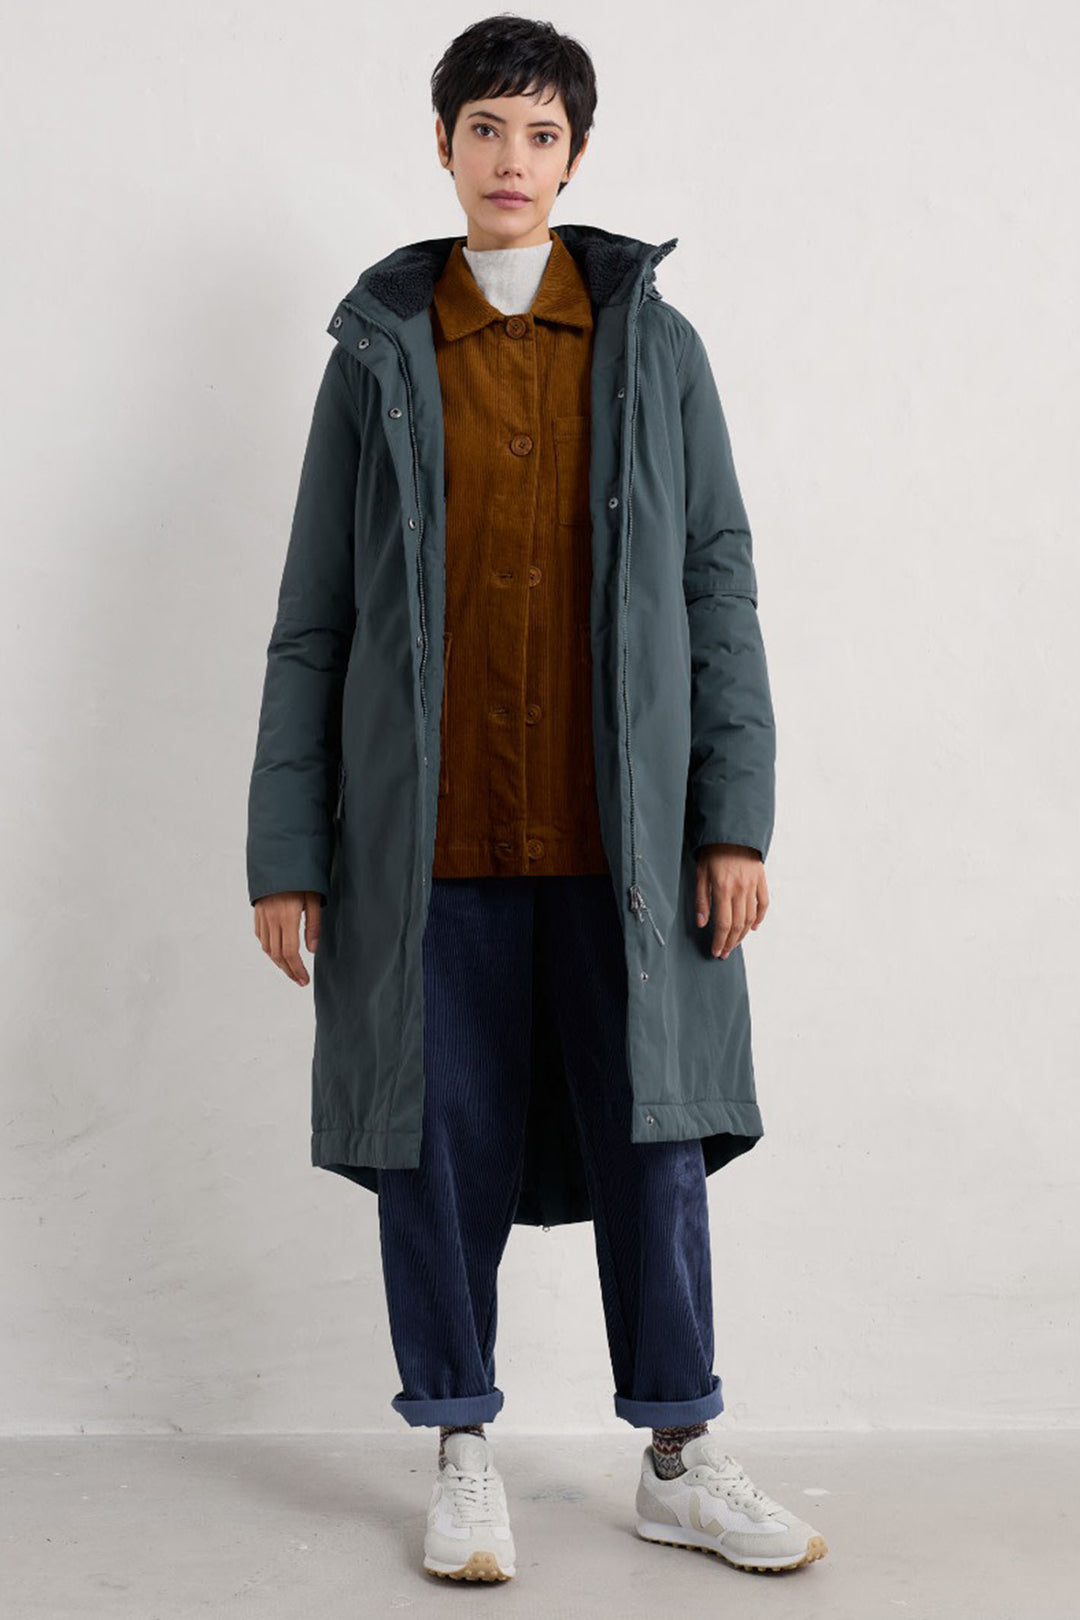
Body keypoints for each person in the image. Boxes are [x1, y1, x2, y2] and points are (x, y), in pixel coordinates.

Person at [247, 12, 827, 1585]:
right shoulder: (379, 359)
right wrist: (289, 850)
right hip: (423, 848)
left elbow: (718, 588)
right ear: (443, 147)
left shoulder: (656, 348)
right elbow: (315, 622)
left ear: (576, 157)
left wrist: (735, 817)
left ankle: (681, 1456)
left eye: (543, 133)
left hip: (623, 846)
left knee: (656, 1142)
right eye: (487, 129)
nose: (514, 159)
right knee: (433, 1150)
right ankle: (460, 1452)